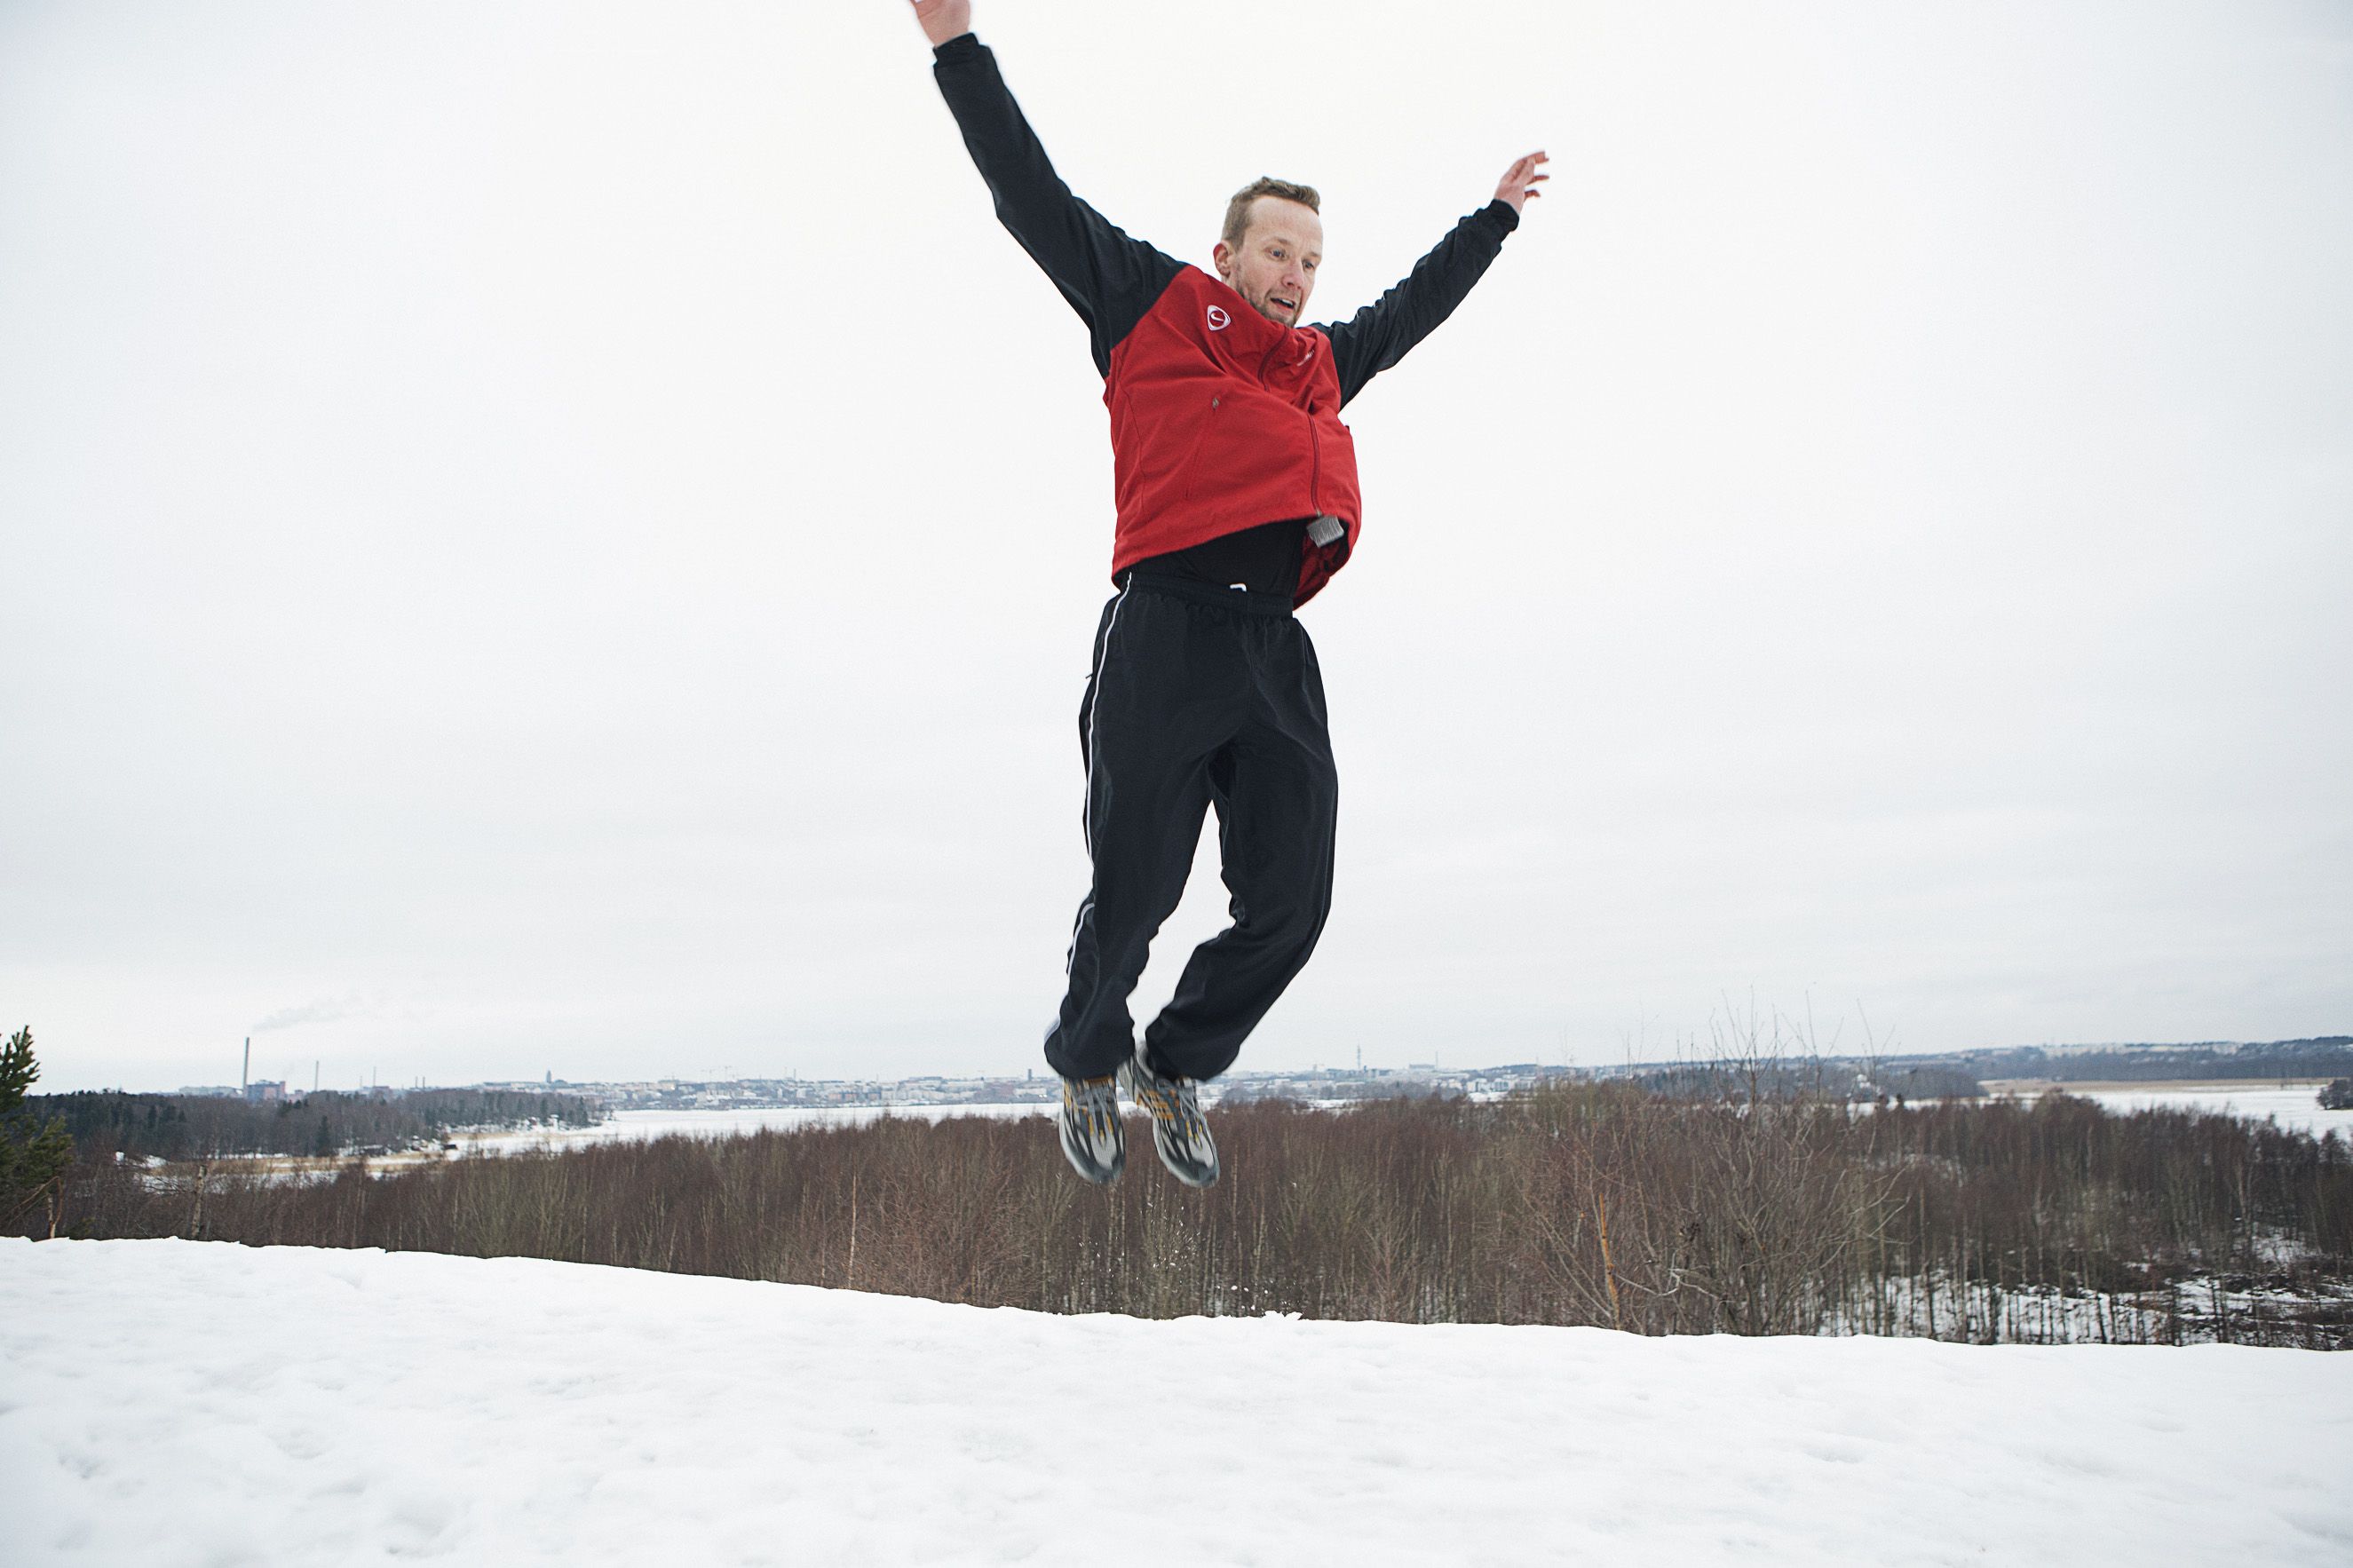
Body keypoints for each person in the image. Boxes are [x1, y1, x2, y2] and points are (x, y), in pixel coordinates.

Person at [910, 0, 1543, 1187]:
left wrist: (1492, 221)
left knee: (1291, 898)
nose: (1296, 277)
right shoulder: (1148, 307)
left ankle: (1176, 1065)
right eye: (1277, 252)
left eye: (1311, 261)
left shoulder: (1317, 367)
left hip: (1271, 649)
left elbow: (1409, 312)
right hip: (1163, 626)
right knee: (1135, 886)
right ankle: (1089, 1060)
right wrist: (957, 48)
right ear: (1228, 253)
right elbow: (1027, 193)